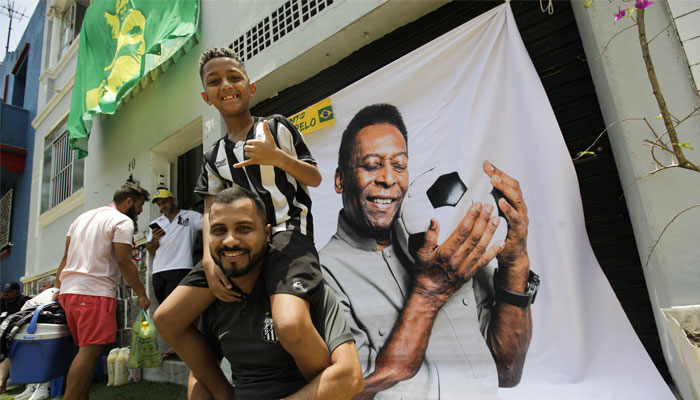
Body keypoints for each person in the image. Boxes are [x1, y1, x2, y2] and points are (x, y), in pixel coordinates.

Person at [320, 104, 538, 398]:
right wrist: (429, 293)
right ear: (340, 180)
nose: (388, 178)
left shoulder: (450, 249)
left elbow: (507, 371)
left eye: (399, 165)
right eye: (371, 165)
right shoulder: (321, 276)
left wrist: (514, 262)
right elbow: (348, 392)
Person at [192, 47, 328, 379]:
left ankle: (330, 385)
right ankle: (226, 392)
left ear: (251, 87)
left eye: (234, 77)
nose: (225, 85)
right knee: (169, 316)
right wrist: (210, 262)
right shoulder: (213, 156)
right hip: (242, 245)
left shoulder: (275, 127)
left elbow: (314, 177)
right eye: (215, 81)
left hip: (287, 233)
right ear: (206, 96)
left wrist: (276, 157)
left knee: (289, 323)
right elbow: (211, 210)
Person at [154, 187, 363, 399]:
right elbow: (199, 372)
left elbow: (350, 377)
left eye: (243, 228)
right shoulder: (214, 298)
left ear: (267, 233)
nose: (230, 241)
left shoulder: (301, 291)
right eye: (218, 231)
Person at [53, 182, 151, 400]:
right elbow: (125, 261)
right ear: (128, 202)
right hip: (93, 293)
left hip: (69, 292)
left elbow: (65, 257)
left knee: (84, 351)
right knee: (90, 352)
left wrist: (57, 289)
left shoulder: (82, 218)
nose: (141, 210)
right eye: (140, 205)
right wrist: (142, 294)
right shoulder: (122, 221)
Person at [146, 187, 203, 359]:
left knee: (178, 312)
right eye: (159, 203)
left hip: (181, 268)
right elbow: (151, 250)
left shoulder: (190, 216)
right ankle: (179, 346)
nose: (162, 206)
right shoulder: (156, 223)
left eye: (164, 201)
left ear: (173, 200)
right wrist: (155, 239)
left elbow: (209, 226)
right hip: (159, 271)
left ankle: (181, 348)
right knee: (165, 313)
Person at [13, 277, 58, 400]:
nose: (41, 289)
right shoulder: (40, 298)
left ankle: (42, 387)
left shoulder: (55, 294)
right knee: (25, 349)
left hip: (54, 335)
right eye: (41, 286)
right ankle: (31, 385)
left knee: (41, 350)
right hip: (33, 331)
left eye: (44, 285)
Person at [0, 282, 31, 393]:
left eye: (9, 292)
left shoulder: (26, 302)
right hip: (2, 333)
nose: (5, 294)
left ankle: (1, 383)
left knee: (7, 350)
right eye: (3, 292)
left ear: (17, 291)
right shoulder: (2, 303)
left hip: (18, 335)